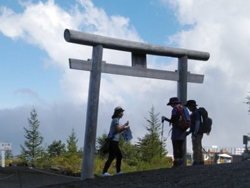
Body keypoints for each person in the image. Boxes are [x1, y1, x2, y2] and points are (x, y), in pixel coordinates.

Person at [102, 106, 129, 177]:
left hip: (114, 141)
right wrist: (124, 127)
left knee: (119, 156)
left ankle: (118, 171)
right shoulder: (115, 120)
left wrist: (124, 127)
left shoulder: (115, 120)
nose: (122, 114)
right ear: (118, 113)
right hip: (113, 141)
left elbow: (118, 130)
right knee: (112, 157)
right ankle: (104, 172)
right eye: (121, 112)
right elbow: (118, 129)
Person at [162, 97, 186, 167]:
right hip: (183, 130)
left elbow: (172, 120)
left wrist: (165, 118)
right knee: (181, 146)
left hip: (176, 130)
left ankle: (176, 161)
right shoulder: (184, 109)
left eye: (171, 104)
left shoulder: (175, 110)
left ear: (173, 103)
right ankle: (181, 161)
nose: (170, 106)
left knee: (175, 146)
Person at [185, 100, 204, 165]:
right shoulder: (196, 113)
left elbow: (197, 123)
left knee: (196, 147)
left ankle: (197, 161)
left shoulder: (195, 113)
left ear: (192, 106)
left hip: (197, 133)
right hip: (198, 132)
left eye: (189, 107)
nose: (188, 108)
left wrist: (195, 133)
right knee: (198, 146)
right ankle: (200, 161)